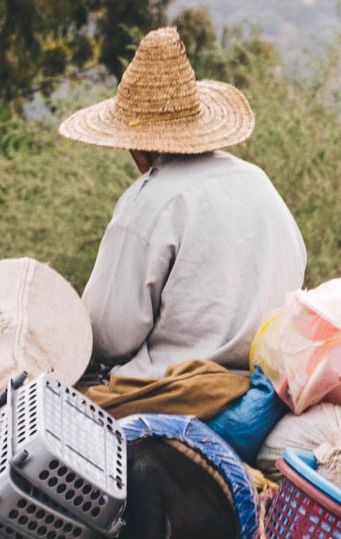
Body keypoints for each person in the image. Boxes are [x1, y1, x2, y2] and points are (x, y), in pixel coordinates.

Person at [58, 26, 306, 382]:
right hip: (264, 384)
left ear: (136, 146)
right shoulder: (259, 182)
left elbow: (108, 336)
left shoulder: (148, 201)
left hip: (174, 389)